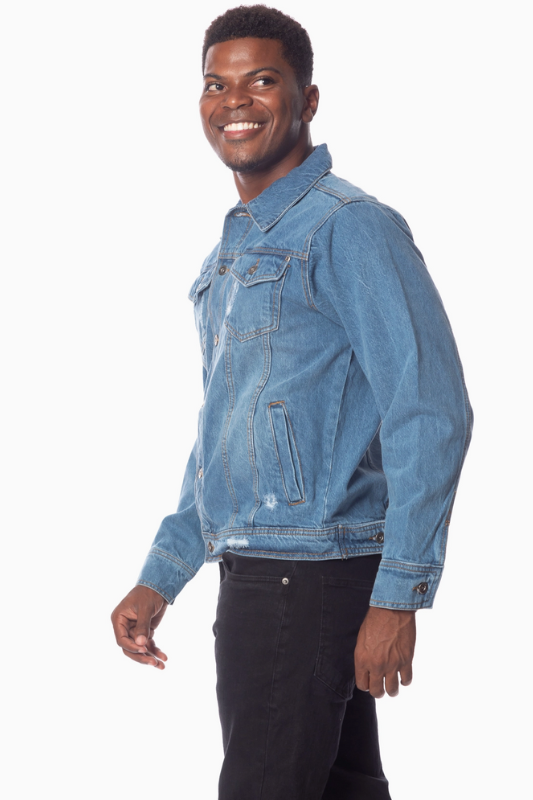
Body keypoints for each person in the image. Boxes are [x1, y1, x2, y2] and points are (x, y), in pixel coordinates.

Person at [111, 6, 472, 798]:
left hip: (303, 581)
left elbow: (429, 409)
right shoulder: (234, 248)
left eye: (261, 80)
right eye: (215, 84)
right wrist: (165, 569)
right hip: (263, 573)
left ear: (307, 100)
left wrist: (397, 596)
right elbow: (226, 431)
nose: (234, 101)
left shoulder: (350, 228)